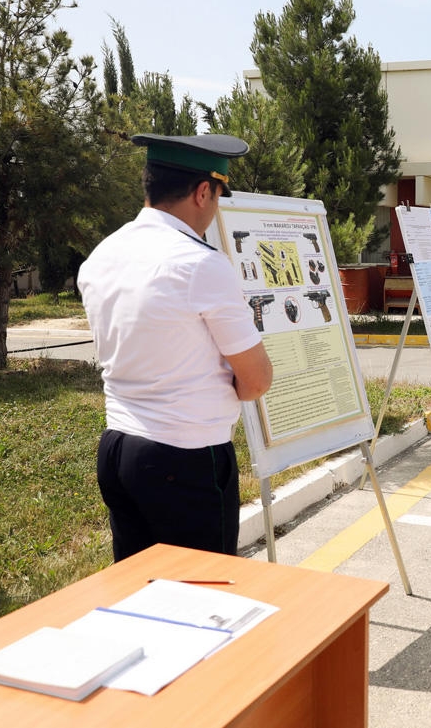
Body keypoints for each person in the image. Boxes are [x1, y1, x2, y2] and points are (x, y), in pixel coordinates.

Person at [78, 133, 274, 562]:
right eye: (219, 195)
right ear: (204, 191)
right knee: (201, 598)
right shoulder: (200, 263)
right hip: (184, 457)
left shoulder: (102, 255)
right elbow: (257, 379)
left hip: (117, 448)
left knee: (140, 595)